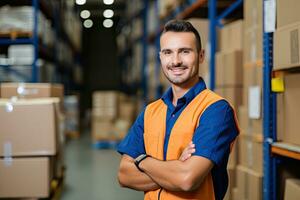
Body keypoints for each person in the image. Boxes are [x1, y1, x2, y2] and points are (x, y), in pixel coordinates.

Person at [117, 19, 239, 200]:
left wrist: (143, 160)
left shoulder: (216, 110)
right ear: (160, 57)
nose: (175, 61)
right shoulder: (151, 111)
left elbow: (187, 179)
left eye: (185, 51)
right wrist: (174, 168)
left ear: (201, 55)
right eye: (168, 52)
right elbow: (124, 175)